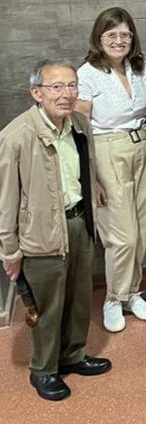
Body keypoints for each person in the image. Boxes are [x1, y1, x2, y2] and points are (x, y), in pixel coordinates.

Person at [0, 60, 111, 401]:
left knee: (79, 299)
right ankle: (44, 370)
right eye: (57, 87)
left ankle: (73, 355)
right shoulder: (15, 137)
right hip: (41, 234)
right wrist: (10, 250)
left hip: (78, 223)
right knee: (47, 308)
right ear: (37, 93)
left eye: (72, 85)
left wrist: (96, 188)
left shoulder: (78, 123)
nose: (67, 94)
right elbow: (5, 200)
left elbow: (84, 167)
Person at [75, 7, 146, 333]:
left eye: (125, 34)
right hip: (107, 150)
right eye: (112, 35)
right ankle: (113, 298)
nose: (119, 40)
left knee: (142, 226)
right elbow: (80, 128)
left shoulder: (140, 68)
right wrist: (90, 175)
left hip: (144, 146)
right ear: (99, 38)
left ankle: (132, 293)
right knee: (121, 235)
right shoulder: (87, 74)